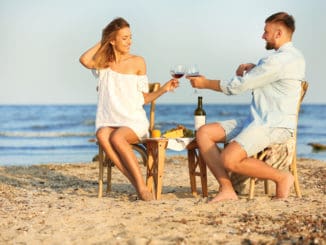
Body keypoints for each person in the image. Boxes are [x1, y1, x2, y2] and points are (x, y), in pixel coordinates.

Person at [186, 12, 305, 203]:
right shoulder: (294, 57)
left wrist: (205, 83)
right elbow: (270, 75)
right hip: (258, 119)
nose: (262, 36)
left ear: (278, 33)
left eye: (266, 31)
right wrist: (254, 67)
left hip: (273, 124)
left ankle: (282, 177)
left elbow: (238, 86)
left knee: (228, 159)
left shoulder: (277, 61)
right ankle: (227, 189)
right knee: (204, 133)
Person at [79, 17, 179, 201]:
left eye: (130, 37)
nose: (129, 42)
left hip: (133, 121)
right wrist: (102, 41)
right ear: (112, 40)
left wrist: (164, 89)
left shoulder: (138, 62)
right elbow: (84, 60)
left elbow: (143, 98)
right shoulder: (104, 64)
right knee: (102, 135)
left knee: (117, 137)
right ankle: (136, 183)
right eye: (124, 38)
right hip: (110, 119)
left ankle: (141, 188)